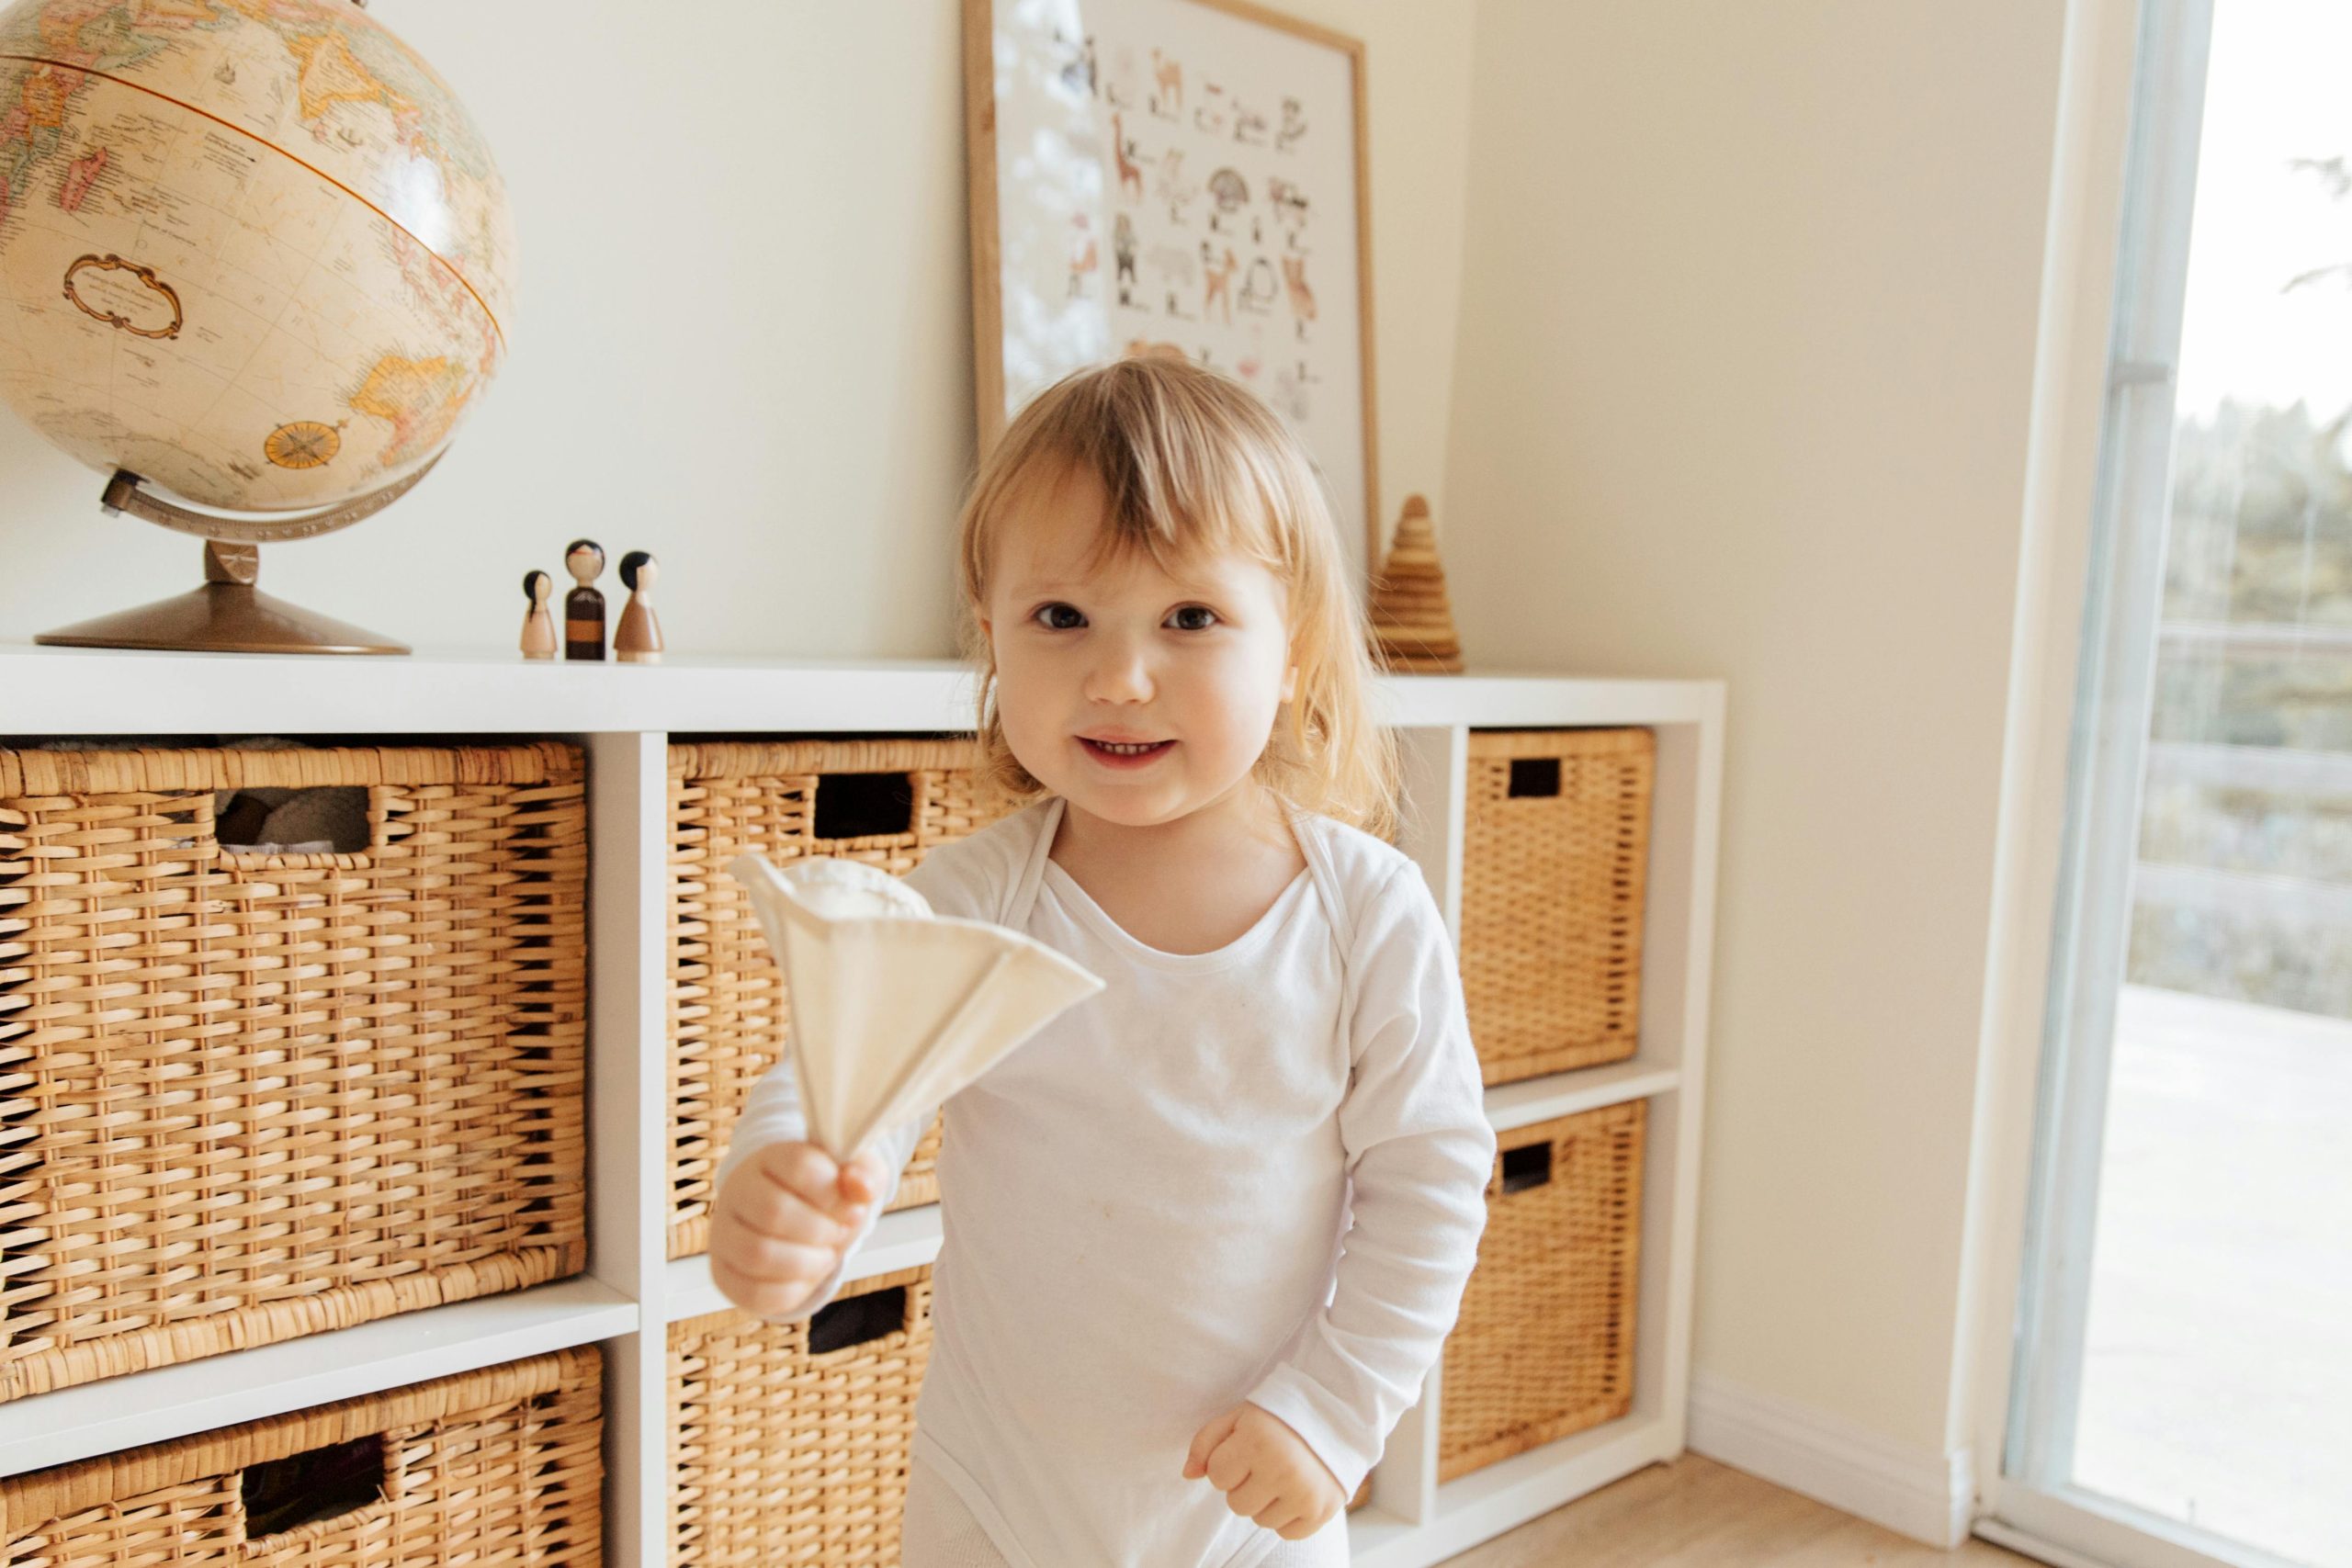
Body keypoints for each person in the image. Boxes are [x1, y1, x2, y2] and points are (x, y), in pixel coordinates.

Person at [708, 355, 1497, 1568]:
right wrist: (782, 1191)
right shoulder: (980, 901)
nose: (1119, 677)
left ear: (1293, 652)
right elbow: (841, 1080)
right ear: (992, 638)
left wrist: (1335, 1408)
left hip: (1251, 1509)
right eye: (1062, 617)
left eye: (1190, 618)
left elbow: (1432, 1184)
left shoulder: (1365, 912)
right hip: (998, 1496)